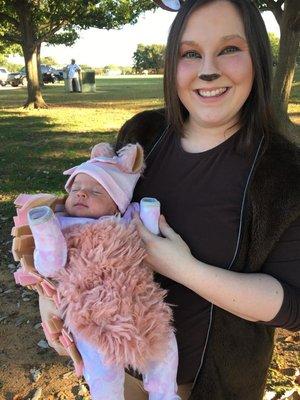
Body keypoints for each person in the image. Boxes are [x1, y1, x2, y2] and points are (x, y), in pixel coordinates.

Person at [114, 0, 300, 399]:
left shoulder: (283, 171)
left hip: (210, 386)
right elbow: (94, 225)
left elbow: (292, 304)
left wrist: (183, 268)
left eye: (229, 49)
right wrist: (49, 292)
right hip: (122, 371)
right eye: (191, 53)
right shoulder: (142, 133)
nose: (208, 69)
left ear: (257, 59)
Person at [12, 143, 180, 400]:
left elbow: (150, 234)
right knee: (101, 364)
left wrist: (149, 210)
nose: (81, 195)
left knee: (163, 342)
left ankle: (165, 394)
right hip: (88, 307)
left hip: (137, 299)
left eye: (95, 192)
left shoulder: (124, 220)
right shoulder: (61, 223)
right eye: (76, 189)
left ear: (116, 205)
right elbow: (50, 265)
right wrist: (46, 231)